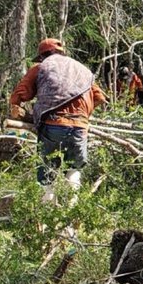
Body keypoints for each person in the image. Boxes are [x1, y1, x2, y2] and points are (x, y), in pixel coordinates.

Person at [9, 39, 106, 194]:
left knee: (47, 171)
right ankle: (72, 211)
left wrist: (15, 106)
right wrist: (83, 116)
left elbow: (22, 93)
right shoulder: (84, 70)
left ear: (42, 55)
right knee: (74, 169)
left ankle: (47, 211)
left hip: (52, 125)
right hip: (80, 127)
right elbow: (100, 97)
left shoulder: (41, 67)